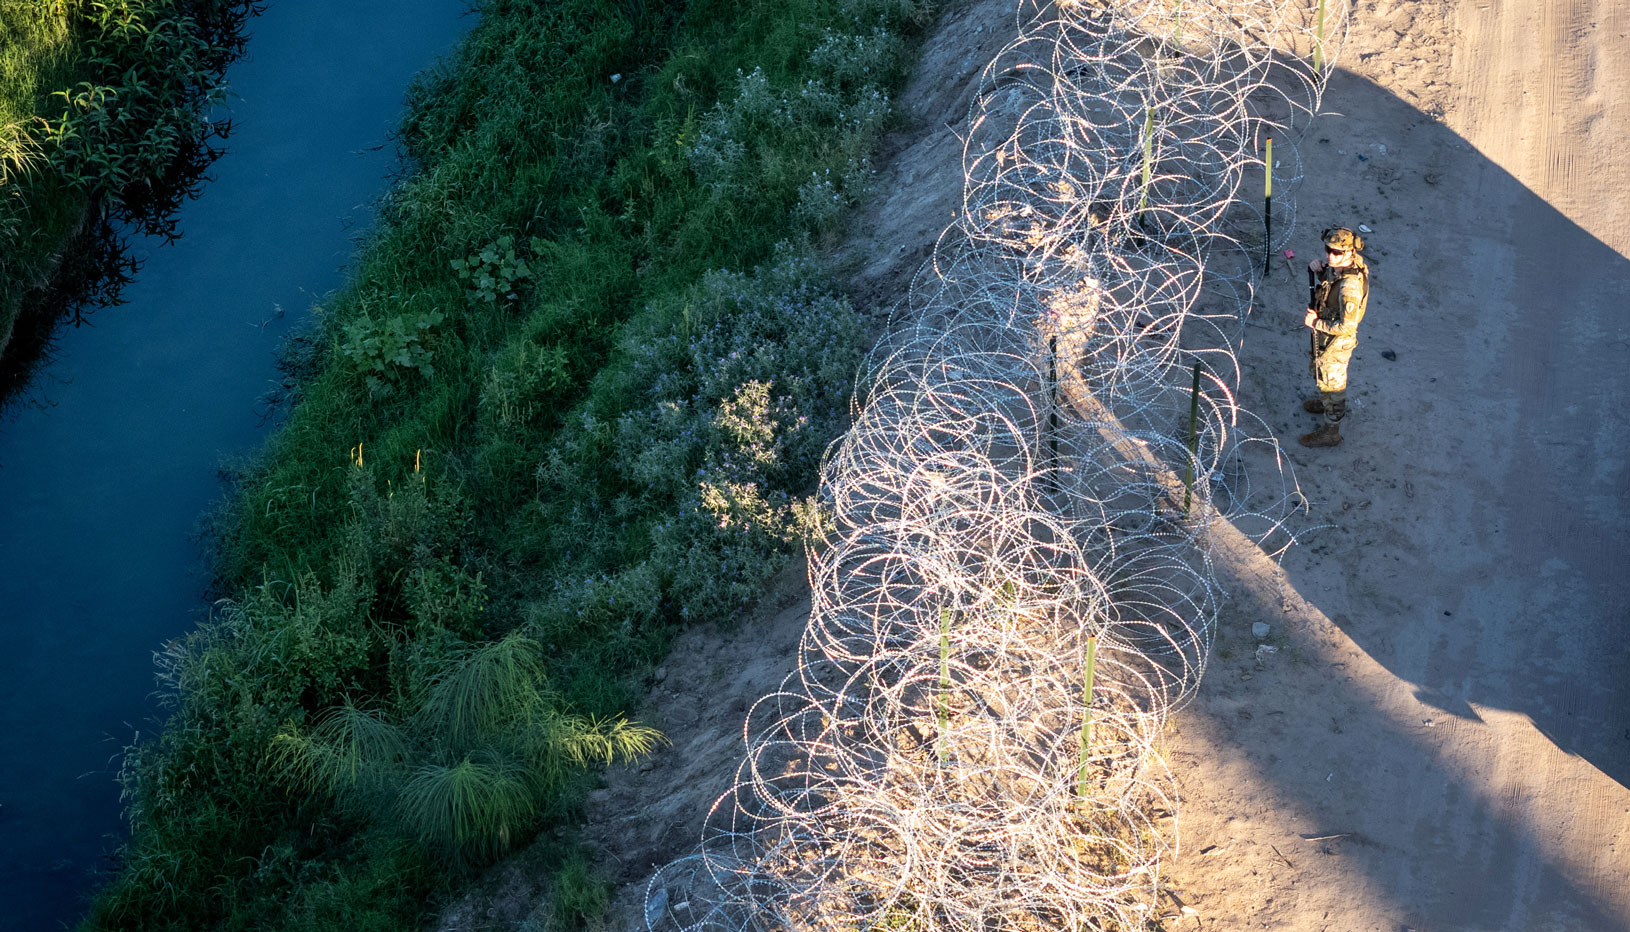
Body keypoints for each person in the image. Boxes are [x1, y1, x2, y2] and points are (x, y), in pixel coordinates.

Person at [1299, 226, 1370, 447]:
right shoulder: (1348, 266)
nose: (1330, 255)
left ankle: (1331, 432)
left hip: (1336, 343)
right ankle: (1325, 402)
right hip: (1328, 336)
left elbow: (1347, 327)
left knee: (1333, 384)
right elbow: (1332, 282)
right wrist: (1321, 272)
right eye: (1328, 249)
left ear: (1349, 252)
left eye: (1337, 252)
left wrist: (1316, 323)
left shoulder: (1350, 288)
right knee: (1321, 375)